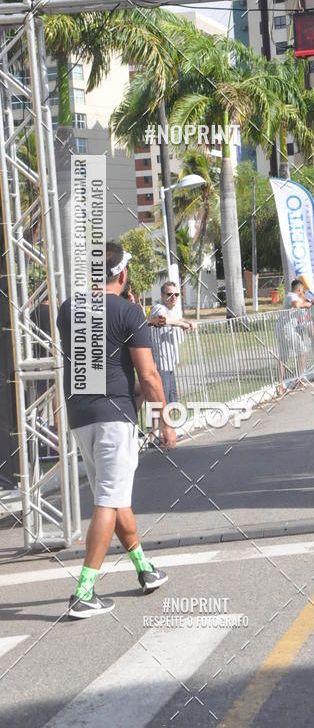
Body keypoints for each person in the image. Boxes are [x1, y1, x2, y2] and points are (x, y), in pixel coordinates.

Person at [57, 243, 176, 619]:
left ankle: (144, 568)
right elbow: (150, 375)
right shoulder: (129, 311)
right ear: (122, 276)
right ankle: (83, 591)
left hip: (80, 414)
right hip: (115, 414)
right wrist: (164, 419)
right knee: (109, 500)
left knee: (115, 494)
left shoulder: (66, 310)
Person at [148, 281, 195, 408]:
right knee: (161, 399)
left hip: (169, 363)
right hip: (160, 363)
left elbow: (178, 319)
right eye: (169, 294)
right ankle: (156, 427)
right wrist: (182, 325)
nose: (173, 297)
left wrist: (188, 322)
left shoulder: (170, 310)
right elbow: (162, 320)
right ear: (162, 296)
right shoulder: (160, 308)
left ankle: (167, 426)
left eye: (176, 294)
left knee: (171, 400)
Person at [277, 279, 314, 395]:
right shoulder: (291, 296)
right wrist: (307, 304)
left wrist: (309, 301)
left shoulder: (293, 295)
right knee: (302, 351)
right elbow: (297, 304)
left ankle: (280, 386)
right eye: (302, 290)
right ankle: (298, 379)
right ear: (299, 290)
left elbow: (301, 301)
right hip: (286, 329)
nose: (303, 292)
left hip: (282, 329)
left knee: (283, 357)